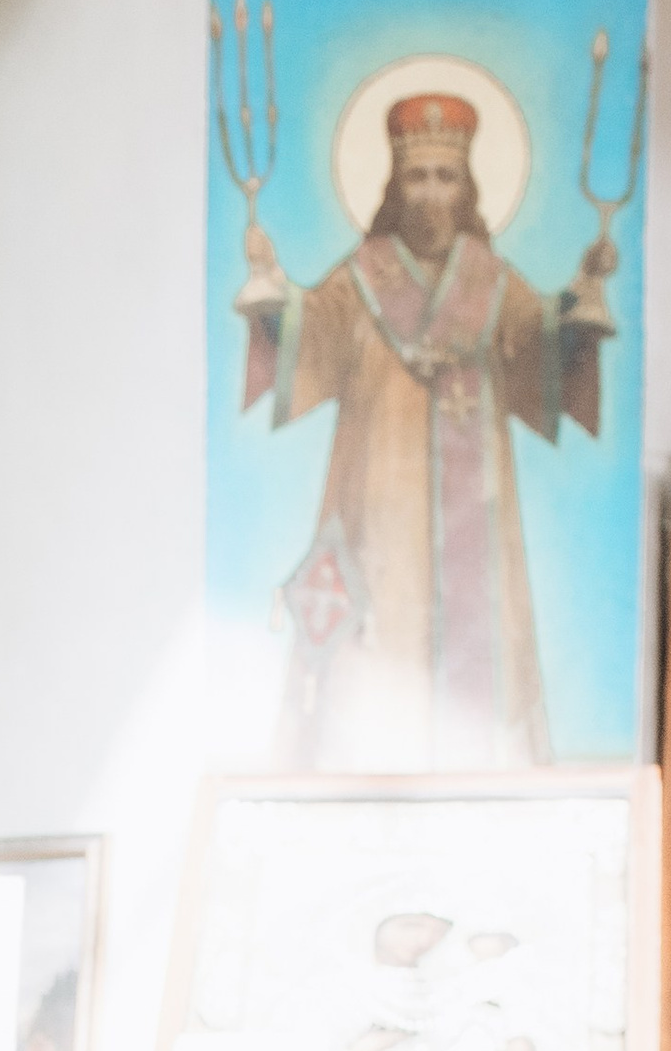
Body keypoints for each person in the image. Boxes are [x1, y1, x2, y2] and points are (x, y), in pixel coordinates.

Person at [235, 89, 615, 770]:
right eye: (417, 175)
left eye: (445, 176)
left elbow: (541, 363)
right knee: (374, 660)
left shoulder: (493, 284)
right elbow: (308, 340)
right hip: (376, 515)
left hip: (478, 523)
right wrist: (270, 293)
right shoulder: (359, 282)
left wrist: (581, 309)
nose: (431, 193)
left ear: (466, 186)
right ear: (393, 183)